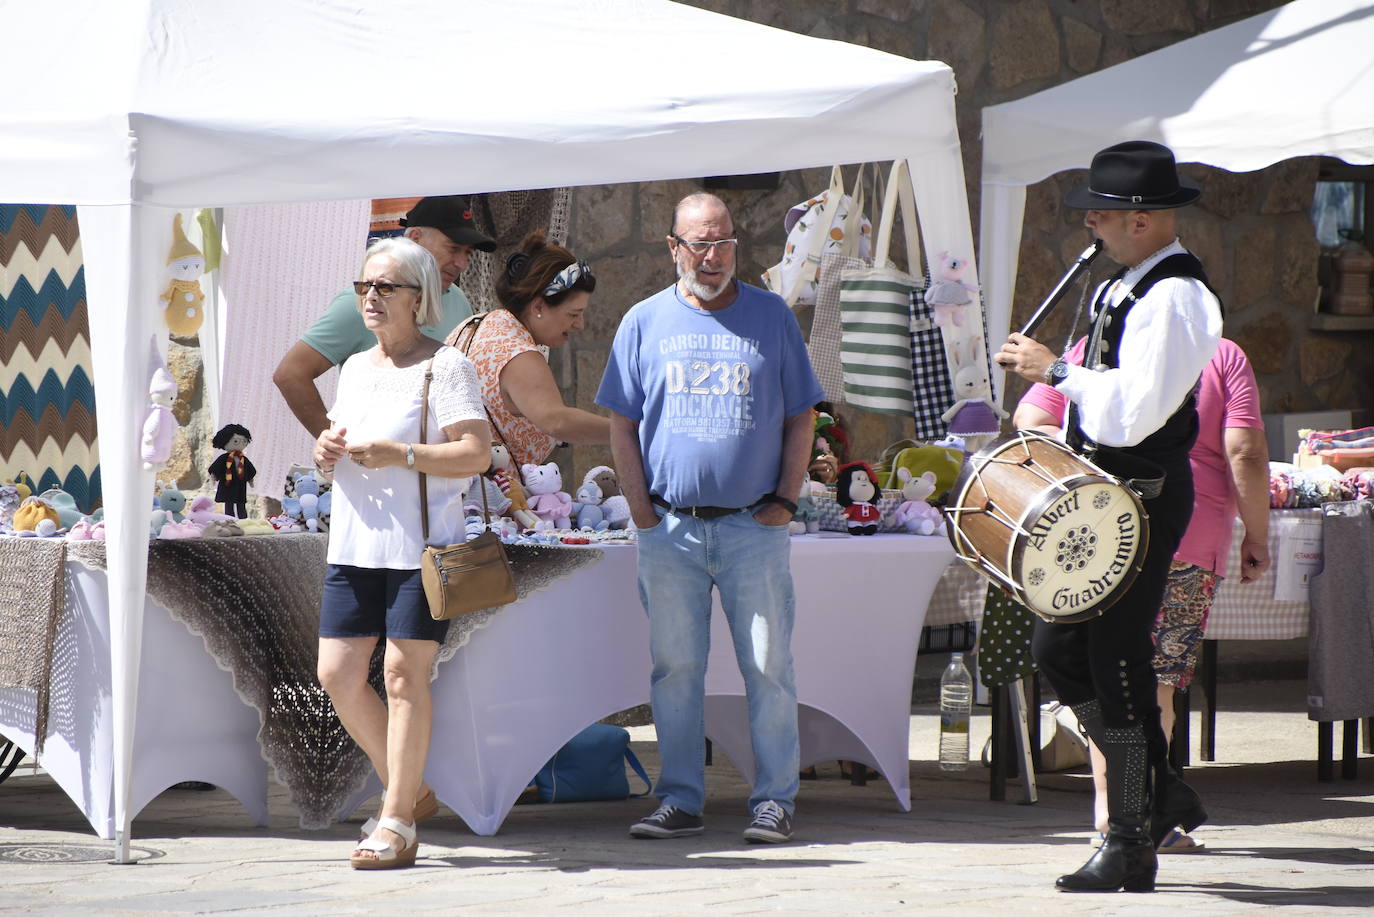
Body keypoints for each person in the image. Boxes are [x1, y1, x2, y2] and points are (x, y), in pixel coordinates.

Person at [994, 140, 1224, 893]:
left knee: (1118, 666)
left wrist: (1054, 370)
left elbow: (1131, 412)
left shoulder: (1177, 298)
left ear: (1147, 221)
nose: (1091, 219)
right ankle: (1158, 790)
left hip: (1144, 498)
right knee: (1059, 649)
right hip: (1104, 494)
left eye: (1107, 210)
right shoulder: (1125, 285)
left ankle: (1129, 838)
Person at [596, 192, 823, 845]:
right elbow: (622, 422)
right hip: (670, 528)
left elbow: (801, 411)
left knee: (768, 664)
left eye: (723, 241)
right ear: (672, 247)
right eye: (700, 242)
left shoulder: (771, 316)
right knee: (675, 667)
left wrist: (786, 495)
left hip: (754, 526)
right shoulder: (643, 321)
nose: (714, 255)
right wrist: (640, 508)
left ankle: (774, 799)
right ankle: (680, 797)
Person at [1016, 337, 1271, 851]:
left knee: (1105, 675)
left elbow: (1030, 421)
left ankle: (1113, 813)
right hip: (1189, 533)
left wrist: (1091, 467)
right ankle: (1147, 810)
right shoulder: (1221, 354)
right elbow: (1244, 449)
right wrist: (1259, 536)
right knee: (1155, 683)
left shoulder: (1092, 342)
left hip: (1097, 532)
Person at [312, 236, 491, 870]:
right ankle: (409, 792)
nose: (371, 297)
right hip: (355, 544)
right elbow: (334, 443)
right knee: (335, 674)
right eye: (364, 286)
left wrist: (403, 456)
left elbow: (477, 453)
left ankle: (395, 822)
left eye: (385, 287)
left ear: (420, 298)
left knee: (400, 676)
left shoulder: (446, 368)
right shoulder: (357, 367)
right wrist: (325, 452)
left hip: (423, 549)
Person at [274, 195, 496, 438]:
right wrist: (337, 447)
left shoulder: (457, 299)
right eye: (453, 248)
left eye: (467, 252)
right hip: (371, 470)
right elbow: (291, 374)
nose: (462, 263)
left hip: (439, 473)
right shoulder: (360, 301)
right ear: (414, 238)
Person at [448, 231, 609, 467]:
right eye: (573, 314)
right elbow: (556, 422)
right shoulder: (518, 354)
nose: (580, 324)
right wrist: (630, 432)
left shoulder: (477, 324)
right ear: (538, 306)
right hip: (493, 499)